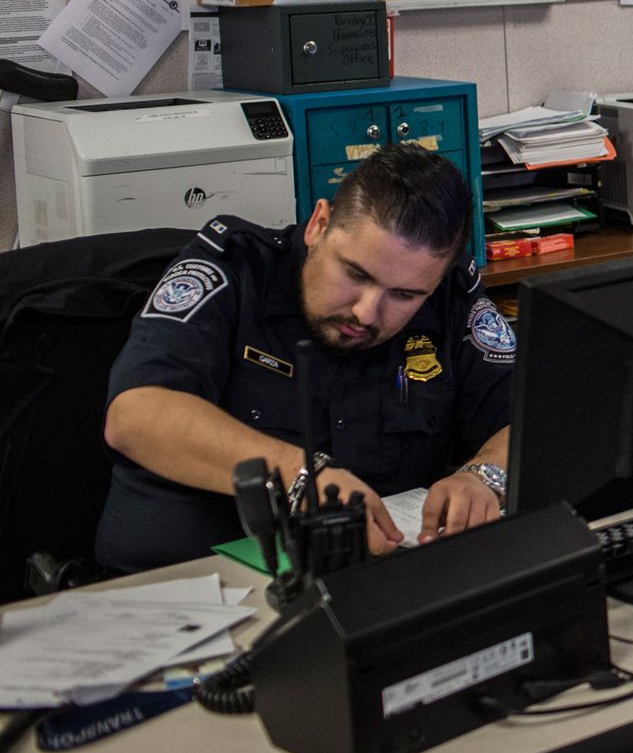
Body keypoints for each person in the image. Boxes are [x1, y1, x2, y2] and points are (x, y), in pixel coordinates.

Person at [97, 144, 513, 572]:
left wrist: (485, 475)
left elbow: (533, 407)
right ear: (319, 224)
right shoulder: (233, 271)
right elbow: (135, 417)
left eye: (404, 295)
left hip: (372, 581)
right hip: (193, 584)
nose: (367, 312)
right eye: (355, 274)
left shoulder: (450, 295)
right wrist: (301, 478)